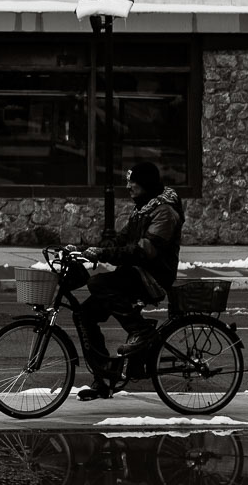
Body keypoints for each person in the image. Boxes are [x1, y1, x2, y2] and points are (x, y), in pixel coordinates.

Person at [75, 161, 185, 399]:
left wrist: (105, 254)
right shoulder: (144, 208)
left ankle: (141, 329)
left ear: (144, 184)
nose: (128, 186)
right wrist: (87, 250)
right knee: (84, 314)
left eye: (131, 181)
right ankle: (103, 377)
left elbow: (145, 251)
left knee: (98, 284)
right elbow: (122, 240)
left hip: (153, 276)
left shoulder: (164, 212)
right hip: (136, 272)